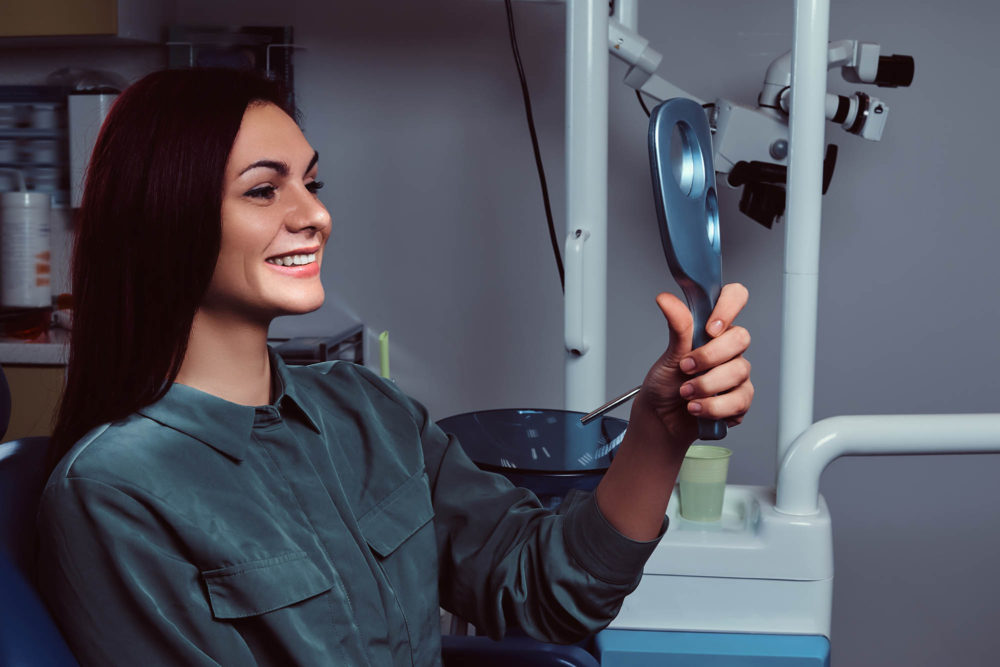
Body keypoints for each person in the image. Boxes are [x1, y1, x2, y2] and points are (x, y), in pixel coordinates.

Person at [38, 68, 754, 666]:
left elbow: (546, 590)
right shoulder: (114, 489)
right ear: (165, 215)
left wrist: (661, 433)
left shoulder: (367, 409)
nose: (313, 215)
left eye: (312, 184)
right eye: (264, 189)